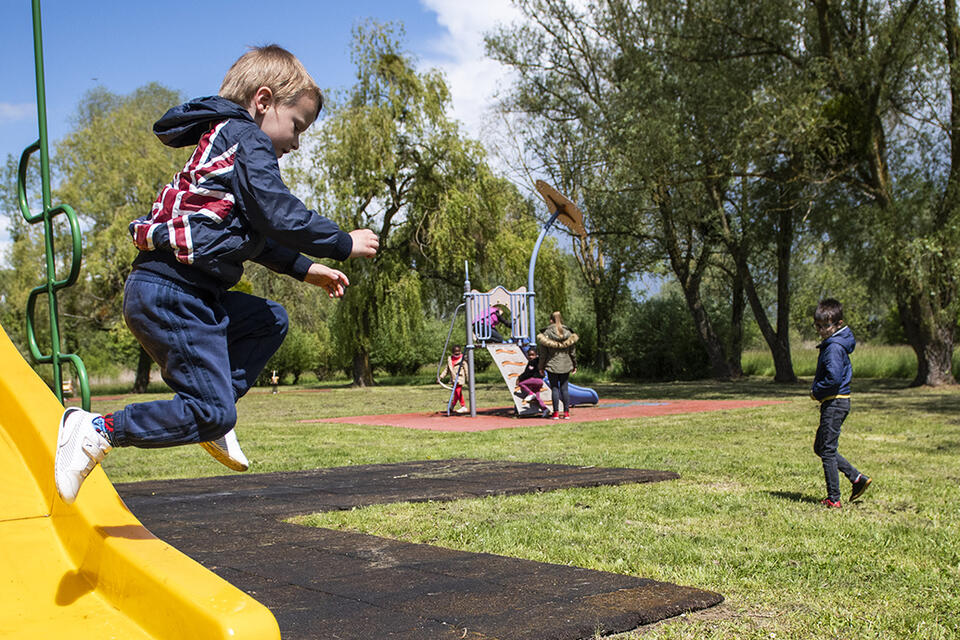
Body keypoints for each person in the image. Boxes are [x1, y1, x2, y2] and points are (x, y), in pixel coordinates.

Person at [54, 45, 380, 504]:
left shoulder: (224, 142)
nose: (297, 143)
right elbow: (278, 215)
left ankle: (215, 416)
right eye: (297, 126)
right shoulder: (245, 138)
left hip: (185, 291)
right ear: (264, 102)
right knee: (209, 410)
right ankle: (97, 429)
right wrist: (343, 242)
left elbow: (251, 234)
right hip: (172, 291)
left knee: (269, 320)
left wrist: (307, 269)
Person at [810, 298, 872, 508]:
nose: (820, 330)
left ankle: (833, 499)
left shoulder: (834, 347)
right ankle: (857, 478)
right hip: (835, 402)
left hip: (835, 402)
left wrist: (816, 391)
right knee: (821, 447)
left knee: (826, 450)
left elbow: (833, 379)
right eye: (817, 325)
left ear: (838, 324)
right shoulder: (834, 344)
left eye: (824, 326)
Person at [537, 311, 578, 420]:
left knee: (554, 388)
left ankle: (555, 413)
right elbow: (572, 352)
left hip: (552, 364)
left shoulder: (546, 333)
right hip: (566, 364)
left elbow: (543, 354)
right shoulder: (569, 333)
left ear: (551, 320)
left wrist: (540, 367)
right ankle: (566, 413)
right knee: (565, 389)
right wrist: (574, 365)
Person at [515, 346, 550, 417]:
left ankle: (531, 393)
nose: (530, 357)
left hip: (536, 380)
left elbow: (528, 373)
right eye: (529, 355)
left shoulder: (532, 362)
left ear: (536, 355)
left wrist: (519, 378)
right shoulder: (538, 361)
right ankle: (545, 409)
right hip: (539, 382)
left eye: (532, 355)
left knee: (521, 384)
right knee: (537, 398)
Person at [439, 345, 469, 414]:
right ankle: (452, 406)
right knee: (456, 393)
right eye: (456, 352)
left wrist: (468, 379)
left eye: (458, 352)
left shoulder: (462, 359)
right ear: (452, 352)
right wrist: (441, 377)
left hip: (460, 378)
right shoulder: (450, 359)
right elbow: (447, 370)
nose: (457, 353)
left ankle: (463, 406)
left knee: (458, 391)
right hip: (453, 379)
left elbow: (466, 370)